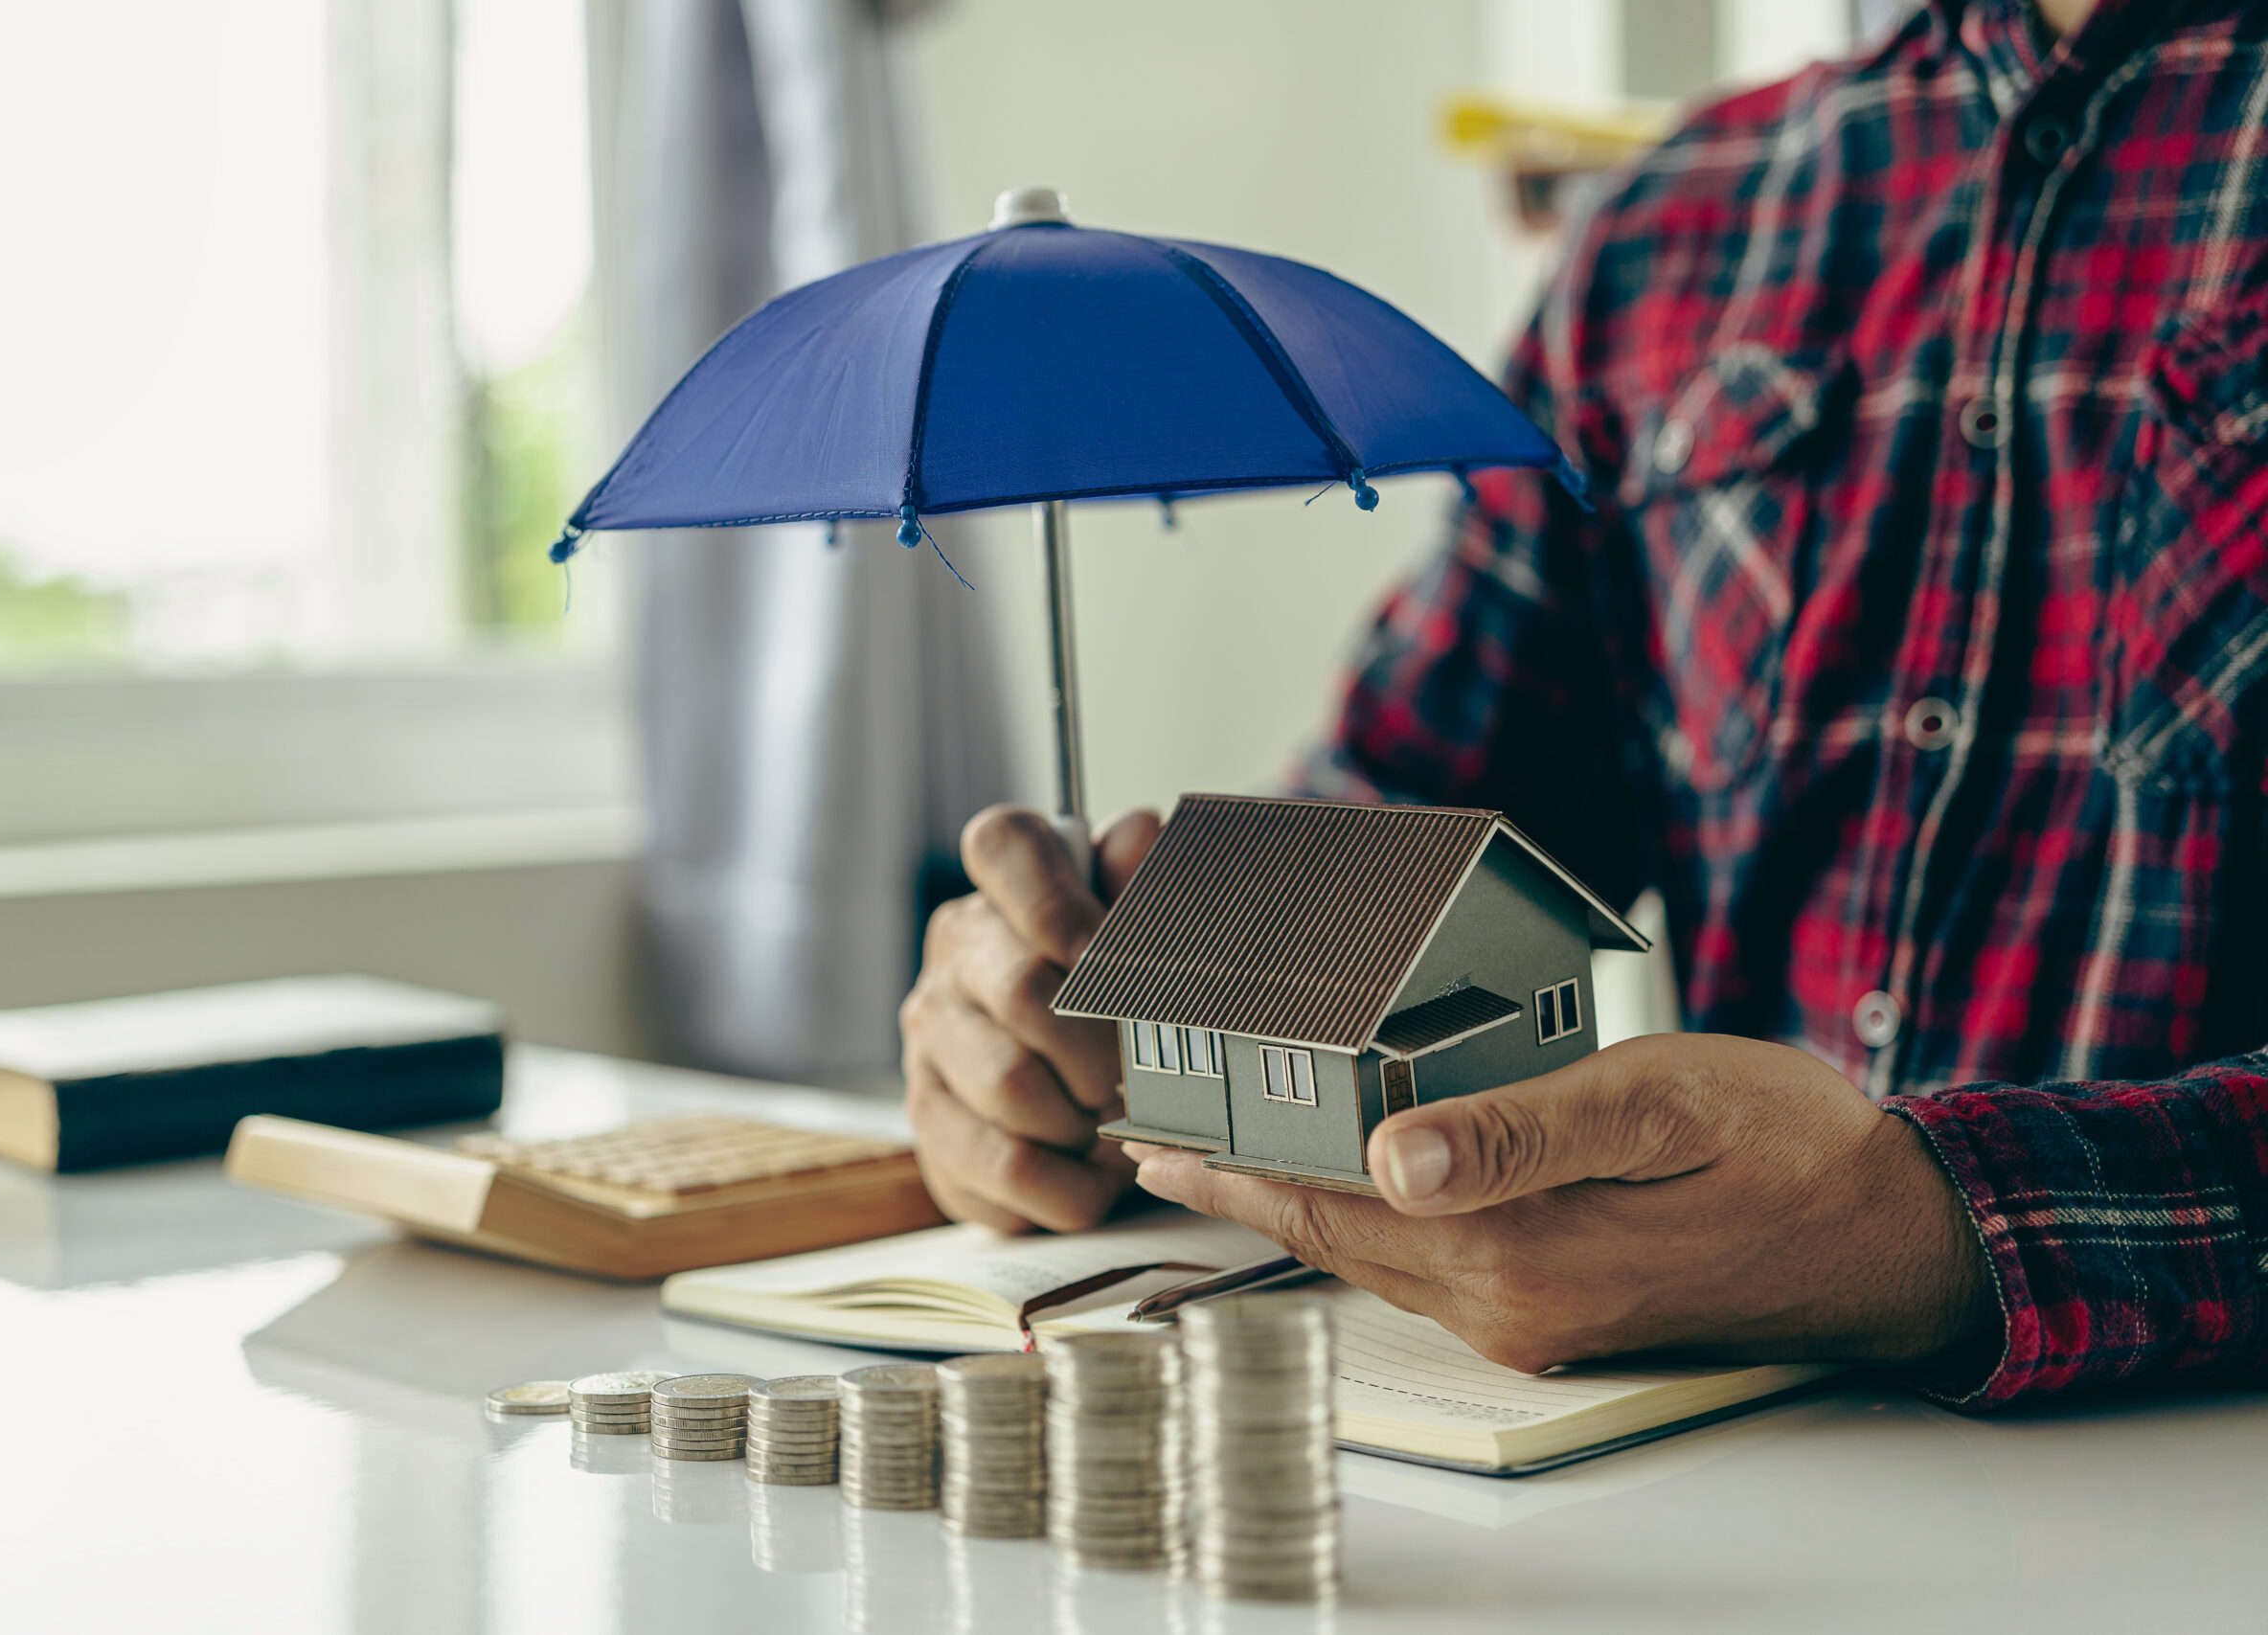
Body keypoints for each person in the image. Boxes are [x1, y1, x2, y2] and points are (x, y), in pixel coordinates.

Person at [899, 0, 2268, 1408]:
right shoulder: (1673, 226)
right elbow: (1400, 828)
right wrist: (1099, 1021)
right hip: (1697, 1479)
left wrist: (1938, 1228)